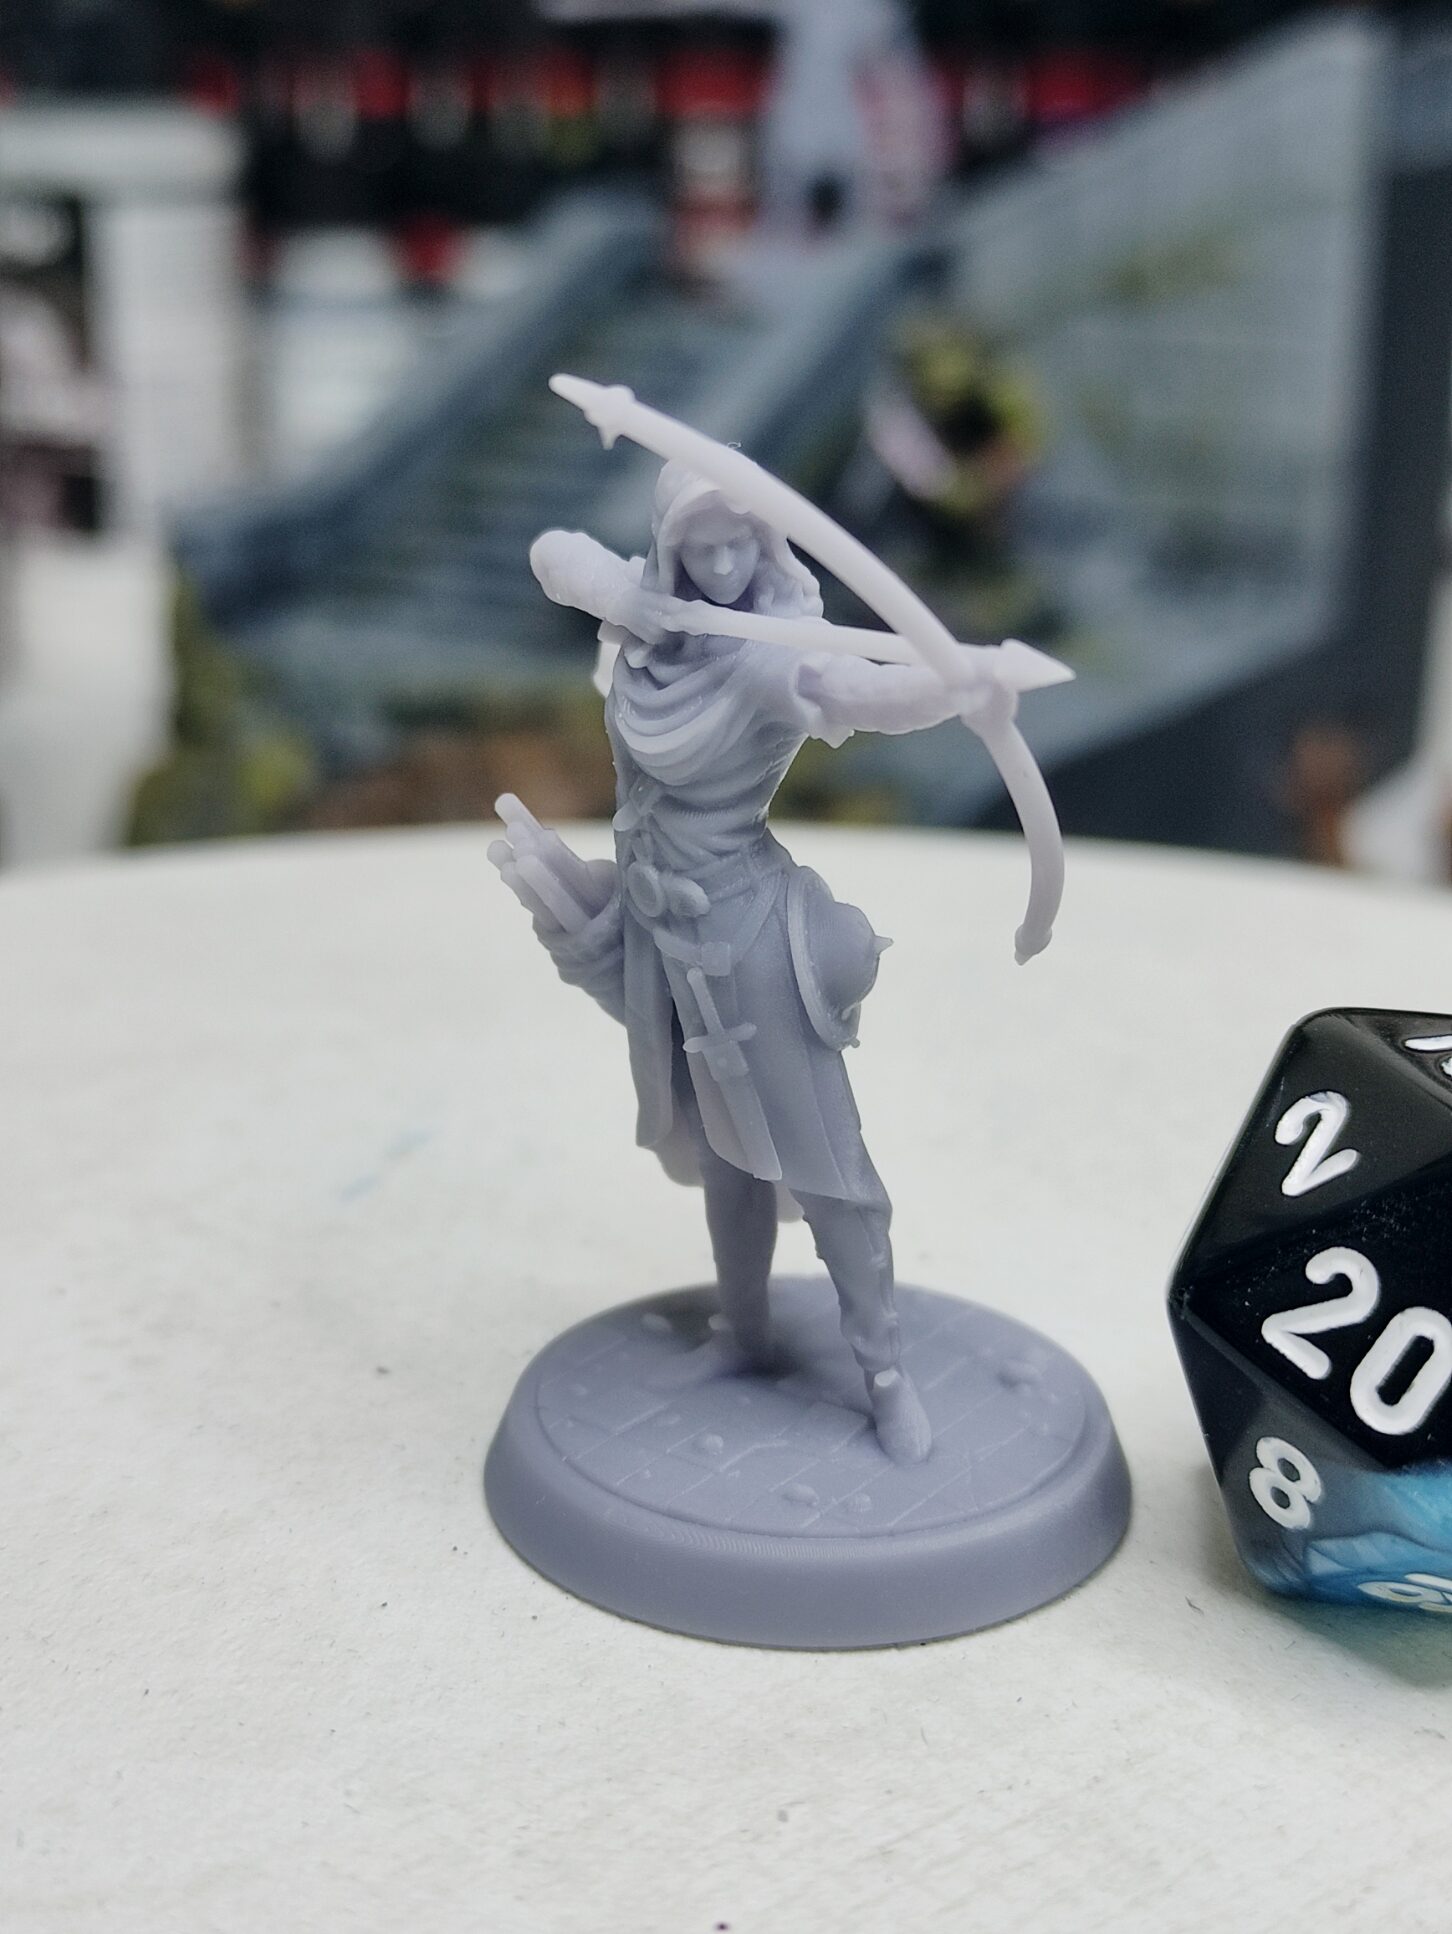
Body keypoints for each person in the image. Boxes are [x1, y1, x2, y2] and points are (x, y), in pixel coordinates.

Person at [491, 460, 985, 1464]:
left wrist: (961, 683)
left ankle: (886, 1376)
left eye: (738, 545)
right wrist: (632, 598)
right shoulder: (652, 631)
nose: (719, 565)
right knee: (723, 1153)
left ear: (766, 549)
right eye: (699, 546)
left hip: (750, 938)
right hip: (658, 930)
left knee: (830, 1171)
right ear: (670, 548)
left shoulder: (766, 659)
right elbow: (551, 554)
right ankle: (744, 1330)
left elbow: (863, 693)